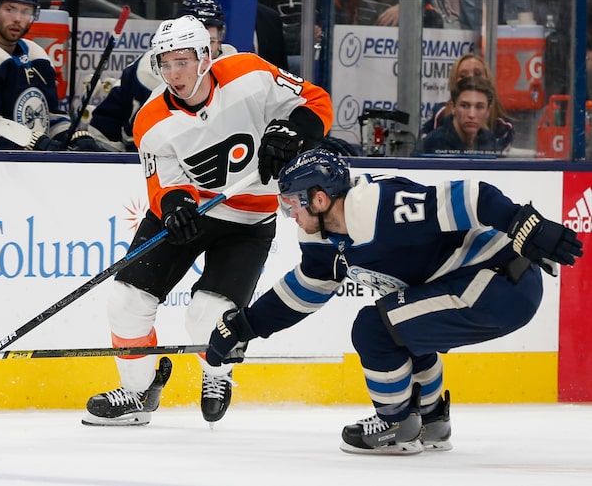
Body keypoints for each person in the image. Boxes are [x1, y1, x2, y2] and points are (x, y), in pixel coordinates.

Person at [205, 148, 583, 454]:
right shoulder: (323, 237)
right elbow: (306, 289)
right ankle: (432, 419)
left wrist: (523, 222)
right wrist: (245, 326)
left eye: (293, 204)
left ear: (319, 199)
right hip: (482, 283)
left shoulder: (378, 206)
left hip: (499, 283)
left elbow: (474, 197)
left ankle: (397, 423)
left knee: (375, 328)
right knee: (402, 326)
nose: (290, 214)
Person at [81, 15, 333, 427]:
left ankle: (217, 373)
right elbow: (163, 183)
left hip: (249, 221)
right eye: (165, 63)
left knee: (206, 314)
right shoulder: (150, 120)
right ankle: (138, 390)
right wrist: (174, 205)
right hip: (193, 212)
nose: (173, 74)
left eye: (182, 61)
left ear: (205, 56)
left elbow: (316, 102)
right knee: (127, 300)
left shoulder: (249, 73)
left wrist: (293, 131)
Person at [0, 0, 102, 151]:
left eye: (25, 12)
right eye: (10, 9)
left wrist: (73, 135)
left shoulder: (38, 55)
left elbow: (51, 116)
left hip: (33, 163)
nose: (17, 19)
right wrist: (31, 142)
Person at [87, 0, 237, 152]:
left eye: (210, 42)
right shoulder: (145, 70)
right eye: (194, 44)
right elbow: (108, 120)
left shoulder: (236, 70)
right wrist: (100, 150)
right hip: (146, 158)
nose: (203, 51)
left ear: (221, 36)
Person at [421, 54, 514, 152]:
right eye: (463, 76)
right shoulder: (439, 116)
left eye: (477, 74)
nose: (471, 79)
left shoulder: (498, 129)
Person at [420, 76, 501, 155]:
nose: (471, 115)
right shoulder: (434, 143)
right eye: (464, 106)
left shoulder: (490, 141)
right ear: (453, 107)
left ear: (488, 111)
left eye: (479, 107)